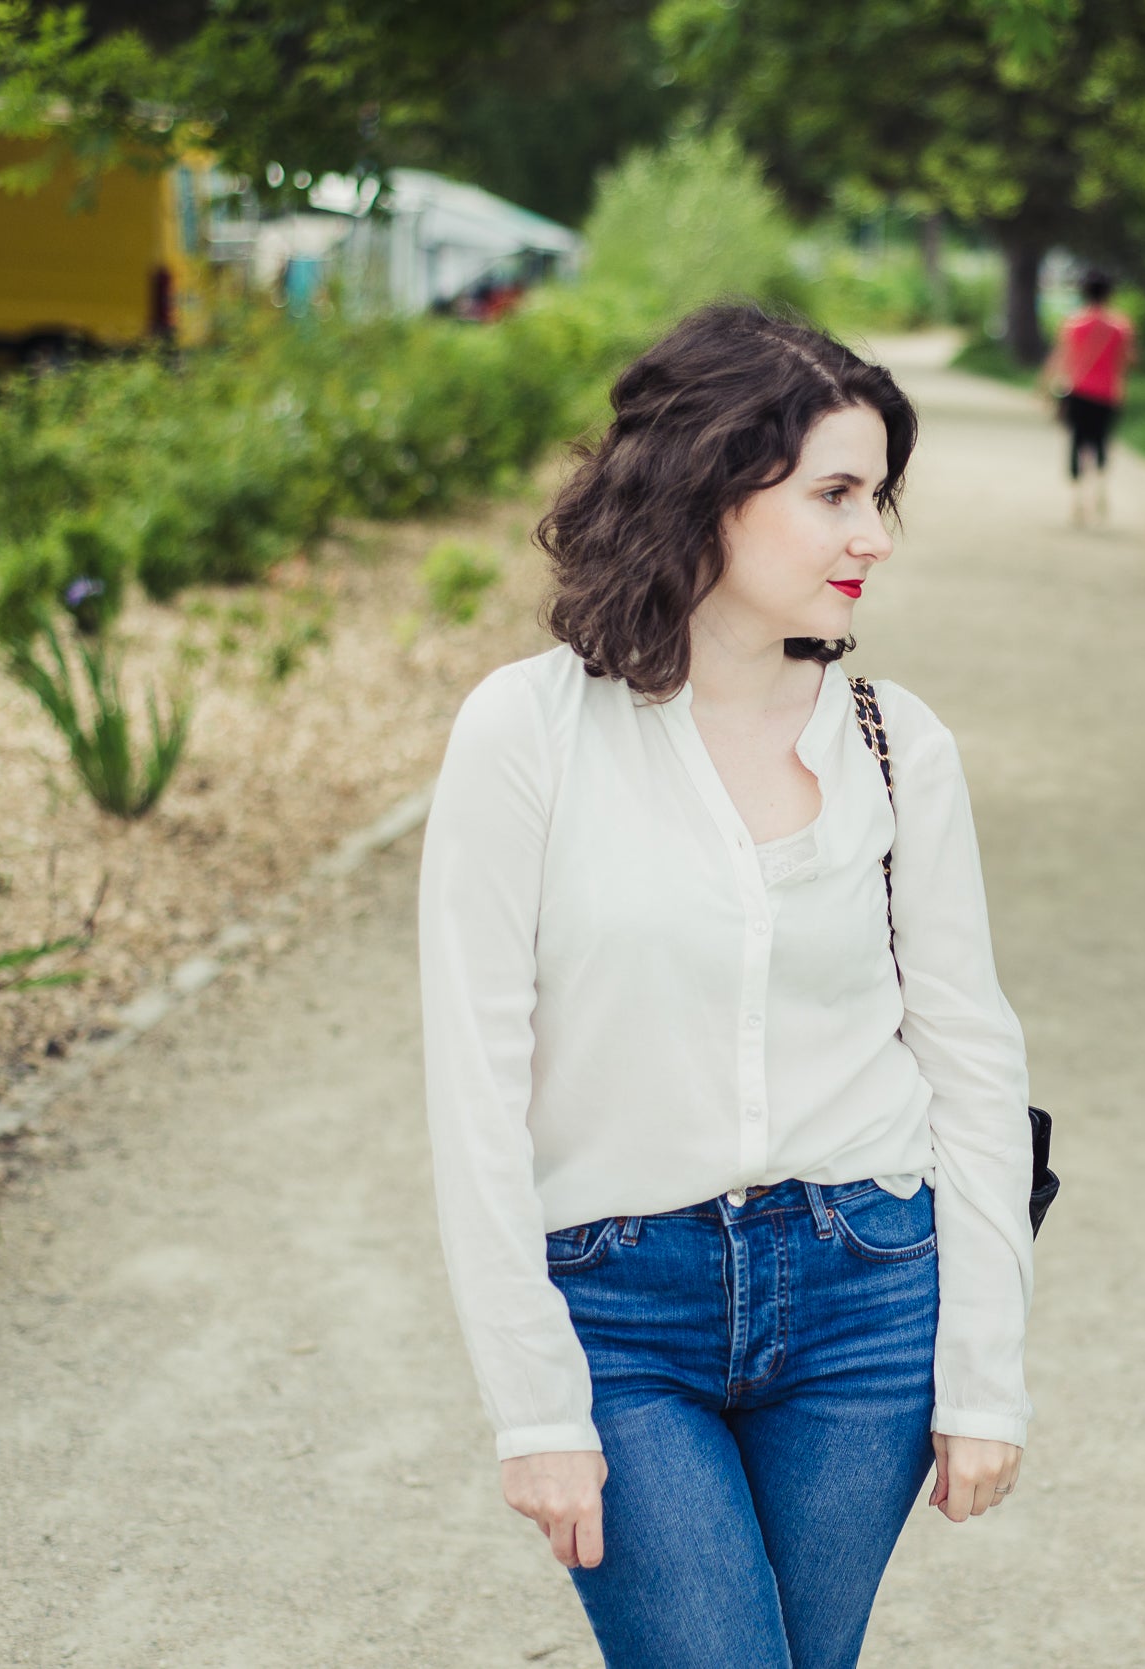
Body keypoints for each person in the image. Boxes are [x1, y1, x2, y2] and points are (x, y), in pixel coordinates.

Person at [418, 302, 1036, 1669]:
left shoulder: (896, 743)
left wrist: (985, 1373)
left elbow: (974, 1064)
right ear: (707, 485)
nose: (874, 533)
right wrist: (536, 1408)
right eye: (834, 493)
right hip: (619, 1307)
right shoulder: (528, 733)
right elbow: (474, 1088)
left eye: (879, 495)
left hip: (865, 1296)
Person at [1042, 268, 1136, 527]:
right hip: (1108, 395)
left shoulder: (1073, 323)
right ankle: (1100, 490)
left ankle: (1077, 500)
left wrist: (1044, 388)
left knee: (1077, 441)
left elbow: (1062, 357)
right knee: (1101, 441)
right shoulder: (1120, 326)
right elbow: (1129, 360)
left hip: (1079, 392)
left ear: (1084, 292)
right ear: (1109, 293)